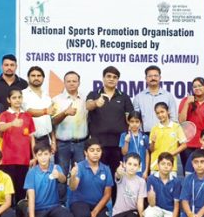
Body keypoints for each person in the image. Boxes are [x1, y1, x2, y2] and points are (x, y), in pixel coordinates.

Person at [86, 66, 133, 197]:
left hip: (118, 145)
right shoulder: (94, 94)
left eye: (115, 77)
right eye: (109, 76)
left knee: (116, 175)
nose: (111, 79)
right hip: (98, 145)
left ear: (118, 80)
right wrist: (96, 103)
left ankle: (115, 206)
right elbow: (88, 105)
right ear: (103, 78)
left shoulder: (124, 97)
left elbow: (129, 118)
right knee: (98, 174)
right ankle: (98, 205)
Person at [19, 143, 74, 217]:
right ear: (35, 156)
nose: (43, 157)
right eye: (40, 155)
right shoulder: (32, 173)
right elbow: (31, 197)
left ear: (50, 154)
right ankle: (27, 214)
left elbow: (63, 180)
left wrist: (59, 175)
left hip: (53, 207)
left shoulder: (56, 168)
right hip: (37, 209)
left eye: (45, 154)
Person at [52, 71, 88, 204]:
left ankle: (79, 203)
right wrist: (65, 113)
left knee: (80, 174)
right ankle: (60, 205)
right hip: (62, 144)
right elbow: (53, 121)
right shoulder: (56, 100)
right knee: (61, 175)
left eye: (74, 81)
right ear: (64, 82)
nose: (71, 83)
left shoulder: (85, 100)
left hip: (81, 143)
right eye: (68, 81)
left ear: (79, 82)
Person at [0, 88, 36, 208]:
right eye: (14, 98)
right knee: (8, 190)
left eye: (19, 97)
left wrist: (34, 157)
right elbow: (0, 128)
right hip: (8, 159)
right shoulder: (5, 115)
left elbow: (31, 138)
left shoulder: (27, 116)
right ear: (9, 100)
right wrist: (12, 124)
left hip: (23, 160)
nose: (17, 100)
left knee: (21, 190)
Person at [68, 138, 113, 217]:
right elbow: (73, 187)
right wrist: (72, 176)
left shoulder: (106, 169)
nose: (95, 153)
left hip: (97, 204)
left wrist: (95, 211)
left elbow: (107, 194)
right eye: (92, 150)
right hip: (80, 203)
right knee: (83, 216)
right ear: (86, 152)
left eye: (98, 150)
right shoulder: (79, 167)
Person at [178, 77, 204, 167]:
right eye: (195, 87)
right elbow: (181, 121)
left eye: (200, 86)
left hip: (202, 144)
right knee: (187, 172)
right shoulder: (185, 101)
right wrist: (187, 103)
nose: (197, 88)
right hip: (187, 144)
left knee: (202, 170)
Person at [143, 152, 181, 217]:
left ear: (172, 167)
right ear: (158, 165)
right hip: (157, 208)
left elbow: (176, 206)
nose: (166, 166)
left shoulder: (176, 182)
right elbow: (152, 204)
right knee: (149, 214)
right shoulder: (151, 179)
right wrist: (151, 198)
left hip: (170, 211)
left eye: (169, 164)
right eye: (163, 164)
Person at [110, 153, 148, 217]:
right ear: (124, 164)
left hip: (132, 212)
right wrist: (118, 170)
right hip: (118, 212)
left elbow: (140, 203)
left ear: (139, 167)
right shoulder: (121, 177)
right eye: (129, 164)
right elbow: (118, 174)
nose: (132, 167)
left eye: (135, 165)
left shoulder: (141, 182)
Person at [132, 65, 178, 133]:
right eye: (150, 76)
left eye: (156, 75)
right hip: (144, 136)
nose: (153, 78)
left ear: (160, 77)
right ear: (146, 78)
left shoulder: (168, 96)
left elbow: (174, 119)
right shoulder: (139, 97)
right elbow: (135, 119)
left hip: (164, 134)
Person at [21, 66, 56, 151]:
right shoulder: (22, 94)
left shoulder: (47, 95)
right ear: (28, 78)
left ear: (43, 78)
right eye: (33, 75)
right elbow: (29, 112)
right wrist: (46, 111)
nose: (36, 78)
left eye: (39, 75)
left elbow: (50, 119)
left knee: (45, 164)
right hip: (28, 139)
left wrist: (53, 141)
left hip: (45, 139)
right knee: (30, 164)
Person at [149, 102, 187, 172]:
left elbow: (184, 145)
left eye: (162, 112)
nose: (160, 115)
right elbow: (151, 149)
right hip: (155, 167)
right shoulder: (154, 128)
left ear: (168, 111)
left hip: (170, 167)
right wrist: (153, 142)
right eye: (157, 113)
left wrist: (172, 153)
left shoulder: (176, 127)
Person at [119, 111, 149, 177]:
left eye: (137, 121)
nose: (134, 124)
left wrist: (146, 170)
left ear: (140, 123)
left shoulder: (144, 136)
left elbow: (147, 154)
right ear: (128, 122)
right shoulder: (124, 135)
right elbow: (124, 153)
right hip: (128, 169)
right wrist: (126, 141)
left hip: (142, 169)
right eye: (132, 122)